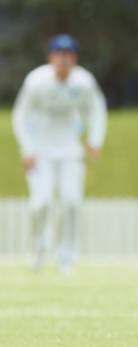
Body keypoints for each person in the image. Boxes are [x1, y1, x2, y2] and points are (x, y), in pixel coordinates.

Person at [12, 34, 107, 274]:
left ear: (74, 58)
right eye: (59, 54)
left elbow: (96, 110)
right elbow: (20, 116)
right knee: (40, 204)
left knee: (71, 202)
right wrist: (27, 149)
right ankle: (39, 249)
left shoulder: (84, 82)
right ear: (51, 57)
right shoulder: (36, 81)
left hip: (70, 151)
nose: (63, 60)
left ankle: (67, 258)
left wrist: (94, 140)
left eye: (68, 55)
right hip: (41, 151)